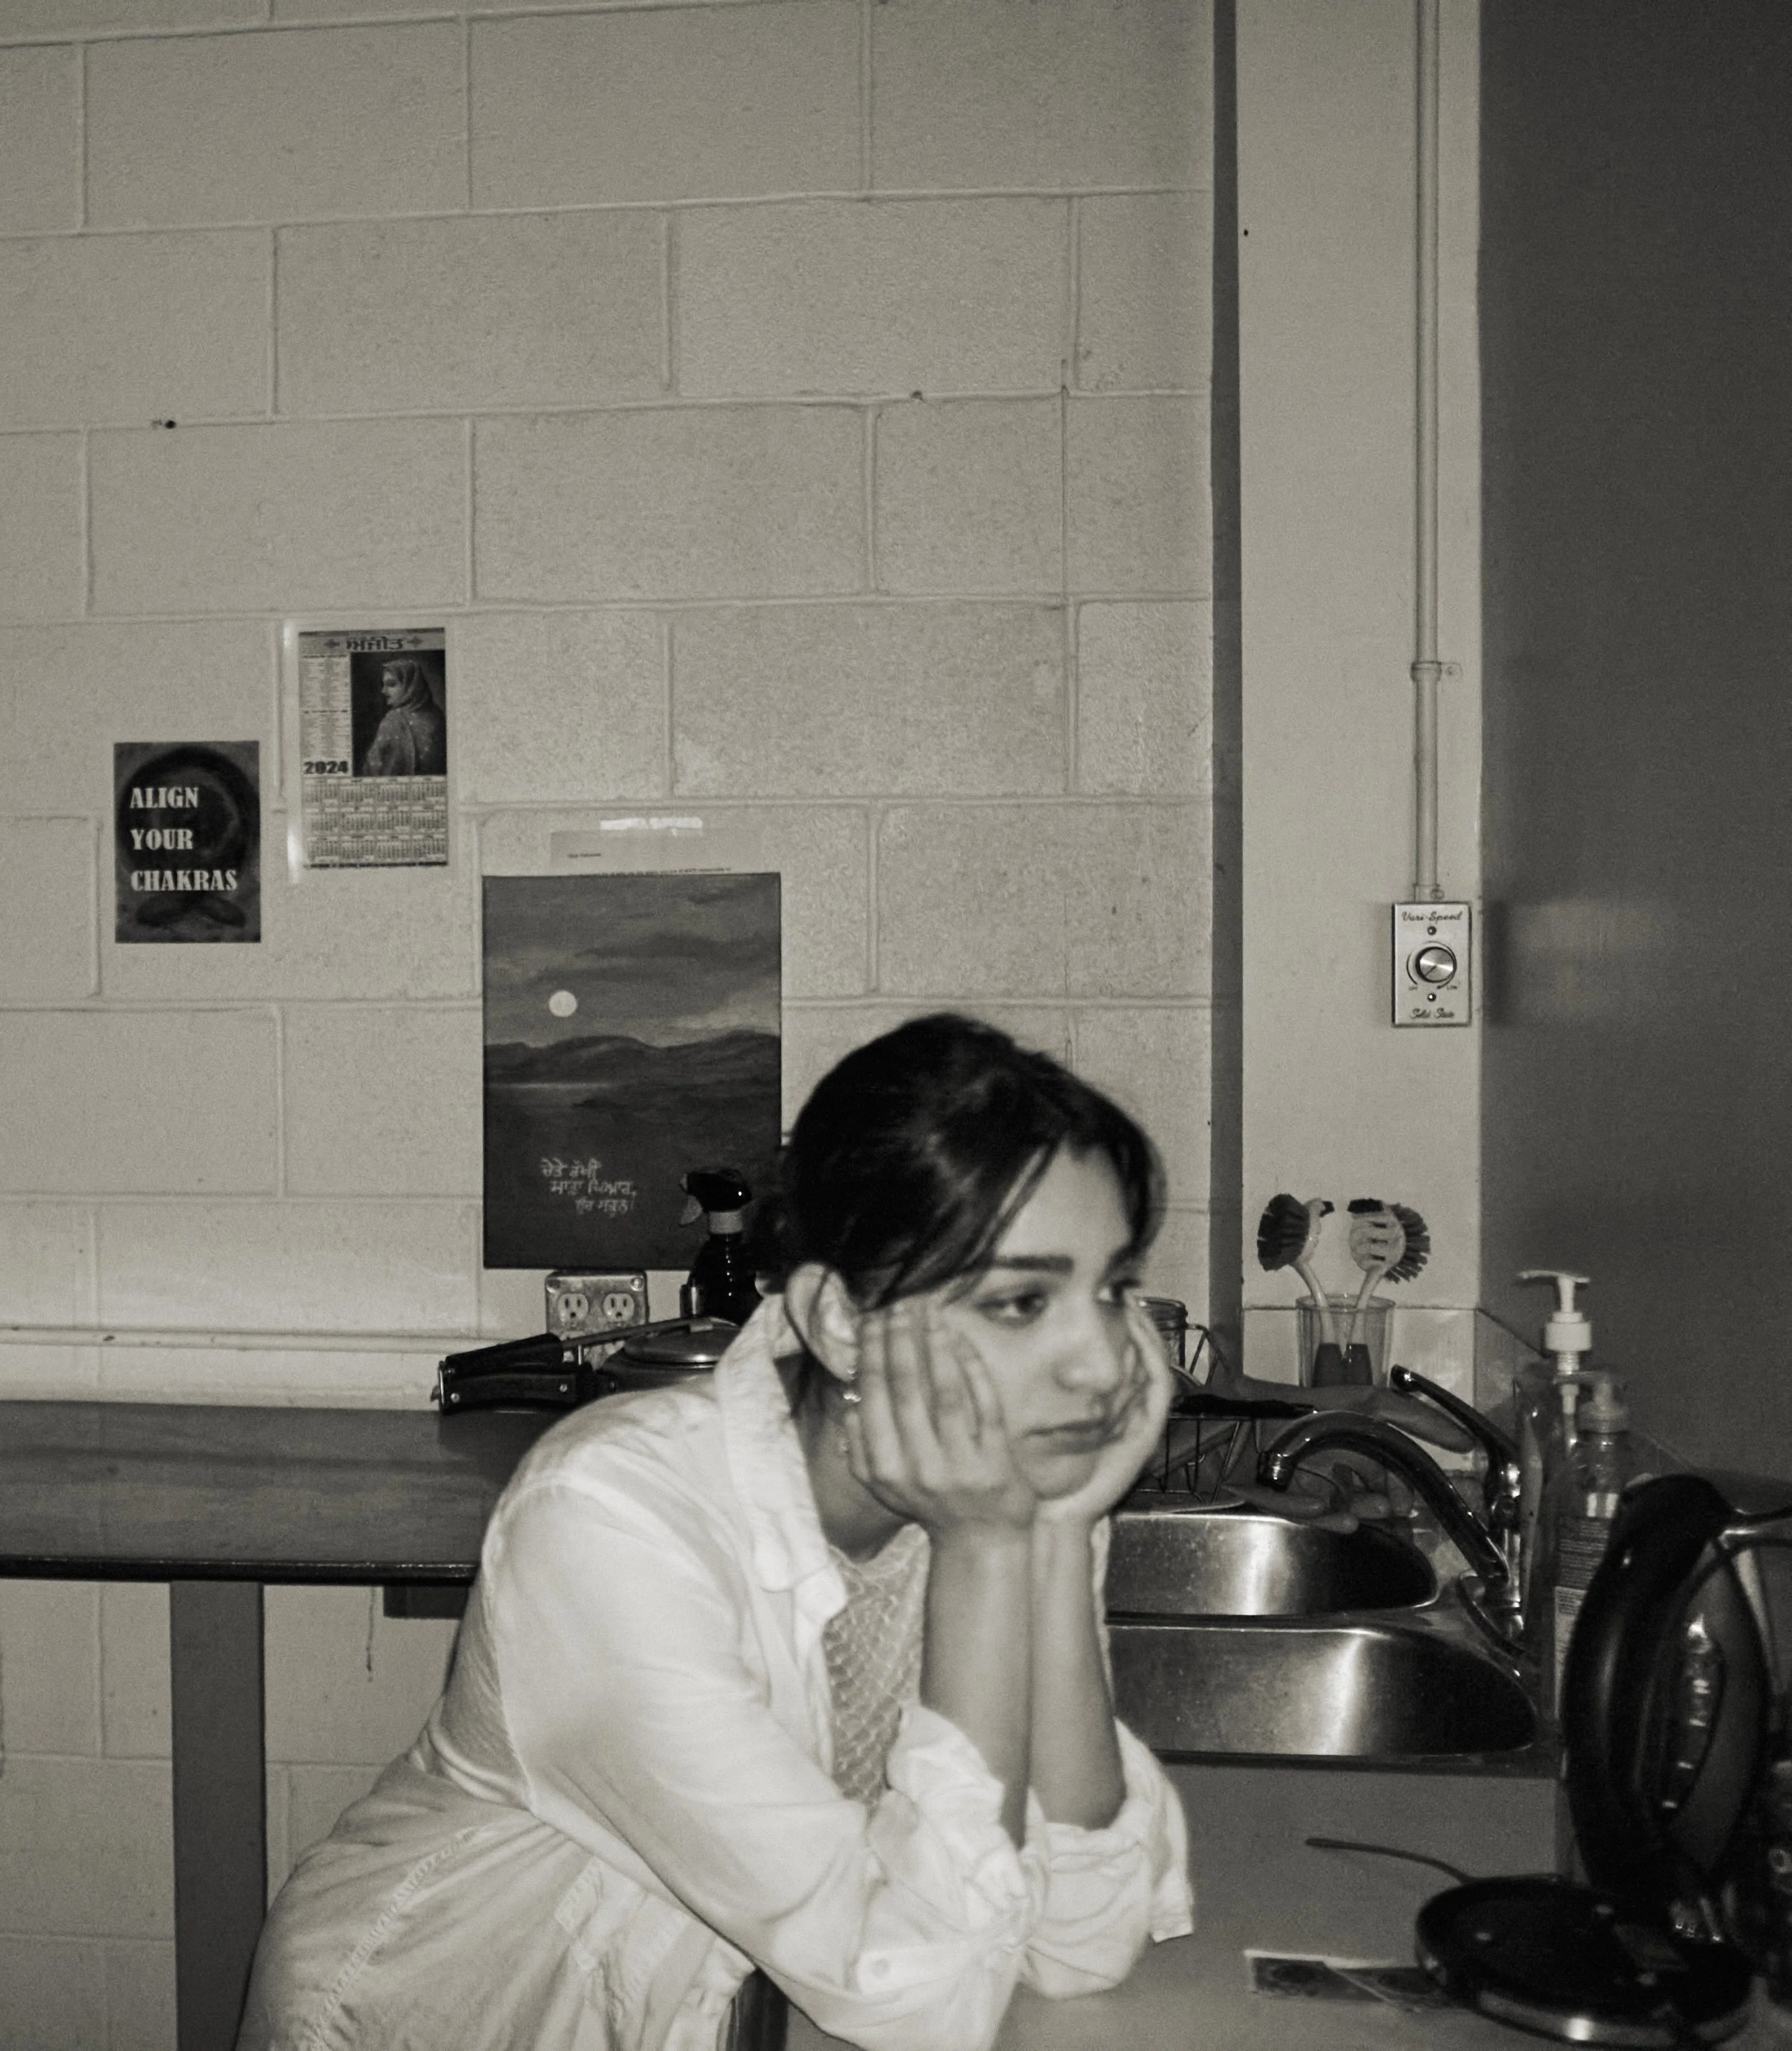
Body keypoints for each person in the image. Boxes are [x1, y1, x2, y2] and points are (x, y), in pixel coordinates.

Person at [236, 1013, 1193, 2051]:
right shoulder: (611, 1518)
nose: (1101, 1364)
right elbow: (919, 2000)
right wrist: (997, 1553)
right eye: (1020, 1302)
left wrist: (1050, 1537)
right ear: (839, 1324)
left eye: (1112, 1291)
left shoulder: (1004, 1496)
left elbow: (1081, 1944)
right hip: (450, 2015)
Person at [359, 657, 445, 778]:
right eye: (384, 685)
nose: (383, 691)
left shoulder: (394, 720)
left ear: (411, 686)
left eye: (391, 684)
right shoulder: (438, 715)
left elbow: (375, 770)